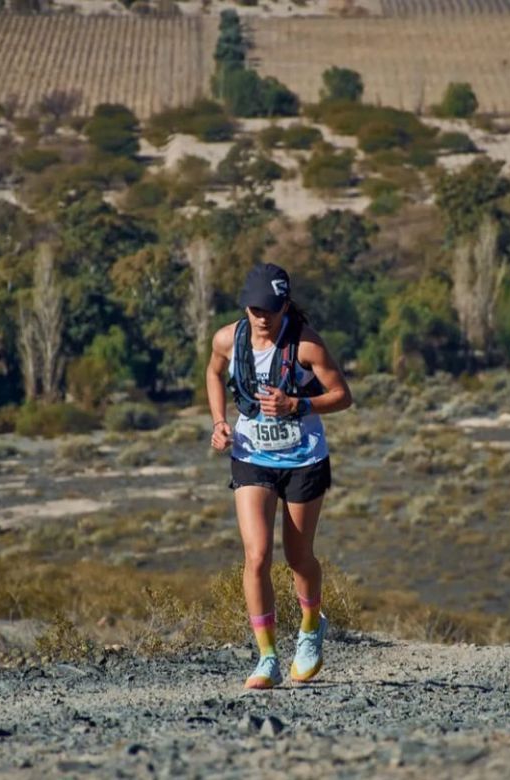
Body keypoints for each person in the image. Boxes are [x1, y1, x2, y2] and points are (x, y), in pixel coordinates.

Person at [206, 263, 352, 689]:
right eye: (255, 308)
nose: (262, 317)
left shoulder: (306, 345)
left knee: (298, 557)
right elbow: (214, 372)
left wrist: (299, 406)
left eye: (271, 308)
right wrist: (218, 422)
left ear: (285, 305)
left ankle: (310, 630)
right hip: (252, 456)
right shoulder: (226, 340)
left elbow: (343, 395)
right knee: (256, 557)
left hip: (304, 459)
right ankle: (267, 656)